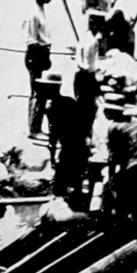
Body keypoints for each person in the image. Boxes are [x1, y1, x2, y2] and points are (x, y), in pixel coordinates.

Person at [36, 72, 89, 205]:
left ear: (54, 88)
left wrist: (53, 156)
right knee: (76, 183)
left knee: (60, 186)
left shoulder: (52, 107)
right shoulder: (70, 102)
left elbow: (53, 135)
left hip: (70, 149)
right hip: (78, 148)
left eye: (46, 87)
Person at [104, 98, 137, 232]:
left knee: (121, 201)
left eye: (107, 110)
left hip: (134, 167)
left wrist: (111, 178)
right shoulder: (135, 122)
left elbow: (113, 156)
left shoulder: (115, 127)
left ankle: (120, 230)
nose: (104, 113)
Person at [25, 0, 60, 138]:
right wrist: (40, 58)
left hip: (42, 54)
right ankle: (34, 129)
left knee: (40, 92)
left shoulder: (40, 10)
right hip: (36, 55)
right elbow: (32, 40)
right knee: (38, 93)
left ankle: (35, 126)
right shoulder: (34, 13)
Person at [74, 12, 103, 140]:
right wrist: (82, 66)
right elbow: (79, 55)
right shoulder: (86, 38)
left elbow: (95, 58)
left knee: (90, 108)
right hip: (84, 76)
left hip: (91, 76)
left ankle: (87, 133)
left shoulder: (96, 39)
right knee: (84, 107)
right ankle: (82, 134)